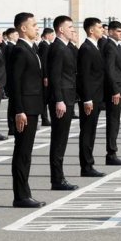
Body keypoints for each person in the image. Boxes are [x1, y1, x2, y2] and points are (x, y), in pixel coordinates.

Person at [8, 12, 47, 208]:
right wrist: (19, 110)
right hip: (25, 109)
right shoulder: (20, 50)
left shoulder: (32, 48)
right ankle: (21, 195)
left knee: (26, 152)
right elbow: (15, 83)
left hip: (33, 107)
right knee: (22, 152)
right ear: (23, 28)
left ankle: (24, 193)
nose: (37, 27)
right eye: (33, 24)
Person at [47, 15, 79, 191]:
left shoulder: (65, 47)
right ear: (61, 29)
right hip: (62, 100)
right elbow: (55, 76)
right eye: (69, 27)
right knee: (58, 140)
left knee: (62, 139)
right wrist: (59, 99)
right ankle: (57, 179)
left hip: (67, 98)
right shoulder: (57, 48)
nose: (72, 30)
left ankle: (59, 177)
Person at [77, 17, 106, 177]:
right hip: (90, 98)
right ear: (91, 30)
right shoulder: (86, 48)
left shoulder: (95, 47)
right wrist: (87, 98)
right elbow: (84, 76)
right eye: (100, 27)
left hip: (96, 96)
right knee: (87, 132)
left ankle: (89, 164)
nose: (102, 30)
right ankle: (86, 166)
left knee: (91, 131)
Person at [101, 21, 121, 166]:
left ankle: (113, 152)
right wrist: (115, 90)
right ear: (110, 32)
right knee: (113, 122)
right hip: (115, 91)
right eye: (118, 31)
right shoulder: (110, 47)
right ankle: (111, 153)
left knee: (116, 121)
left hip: (120, 89)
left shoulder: (117, 46)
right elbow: (109, 71)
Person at [38, 27, 55, 126]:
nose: (53, 37)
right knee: (44, 98)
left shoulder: (47, 45)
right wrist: (45, 76)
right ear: (47, 35)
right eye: (52, 35)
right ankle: (44, 118)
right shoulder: (44, 45)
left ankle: (45, 118)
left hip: (46, 75)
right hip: (45, 76)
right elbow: (44, 62)